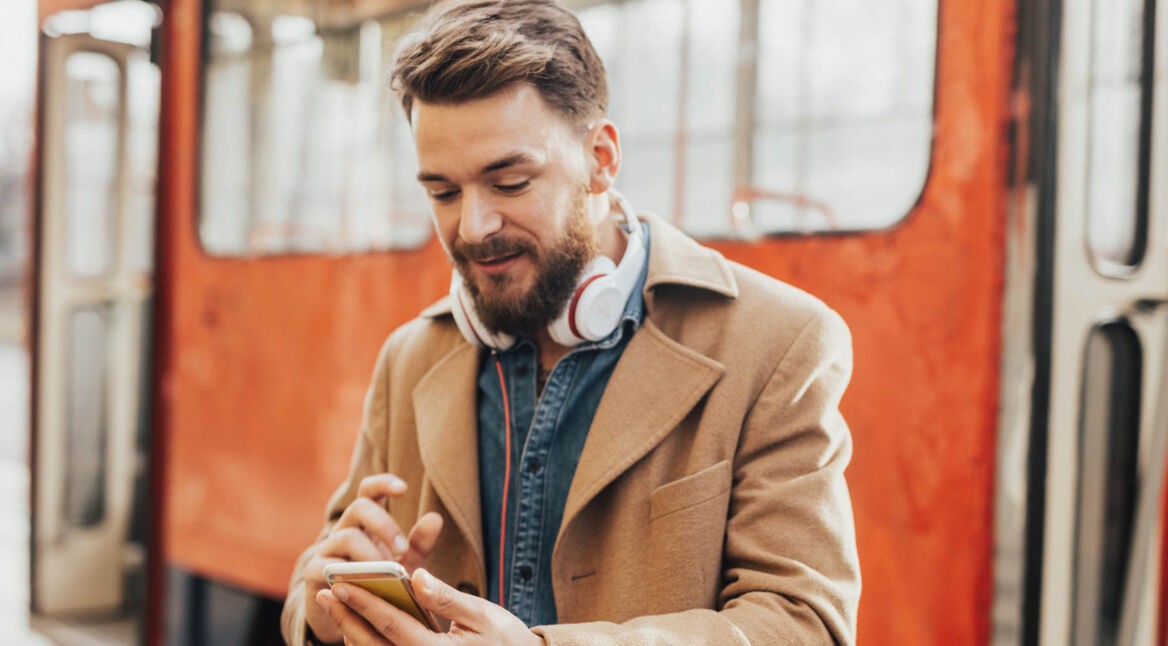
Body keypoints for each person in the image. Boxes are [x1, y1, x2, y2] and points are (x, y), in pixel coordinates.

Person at [281, 0, 860, 643]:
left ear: (601, 159)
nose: (472, 227)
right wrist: (321, 608)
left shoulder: (780, 341)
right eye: (443, 193)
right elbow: (321, 566)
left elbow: (805, 623)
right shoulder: (409, 356)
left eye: (510, 182)